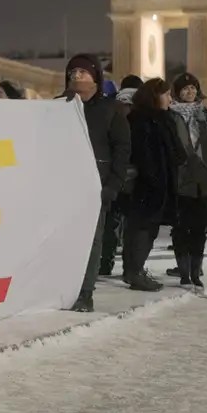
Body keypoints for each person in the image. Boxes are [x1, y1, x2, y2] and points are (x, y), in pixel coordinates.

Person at [60, 55, 133, 312]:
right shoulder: (59, 107)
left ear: (95, 77)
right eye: (73, 72)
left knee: (91, 240)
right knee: (62, 238)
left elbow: (122, 150)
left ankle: (84, 292)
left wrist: (113, 184)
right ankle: (60, 288)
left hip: (96, 184)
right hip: (62, 183)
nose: (77, 76)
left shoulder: (111, 110)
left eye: (83, 72)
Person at [121, 78, 185, 292]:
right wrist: (154, 179)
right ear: (154, 96)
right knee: (143, 228)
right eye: (166, 94)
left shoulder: (163, 119)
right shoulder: (141, 121)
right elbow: (143, 155)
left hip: (159, 183)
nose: (170, 98)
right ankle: (135, 272)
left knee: (146, 228)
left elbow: (178, 153)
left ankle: (133, 270)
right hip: (147, 185)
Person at [164, 73, 207, 287]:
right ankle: (183, 271)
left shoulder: (205, 115)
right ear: (177, 92)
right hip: (180, 179)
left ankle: (196, 271)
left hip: (203, 179)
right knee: (181, 226)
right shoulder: (170, 116)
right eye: (185, 89)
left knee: (200, 226)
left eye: (193, 88)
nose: (190, 92)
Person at [100, 75, 144, 275]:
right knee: (132, 226)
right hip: (134, 176)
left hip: (114, 173)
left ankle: (105, 261)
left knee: (110, 222)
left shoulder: (111, 111)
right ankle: (131, 266)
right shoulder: (144, 112)